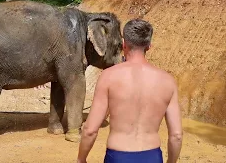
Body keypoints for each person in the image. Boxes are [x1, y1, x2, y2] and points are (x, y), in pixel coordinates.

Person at [77, 19, 183, 163]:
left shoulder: (109, 76)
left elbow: (90, 130)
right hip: (152, 156)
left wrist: (81, 159)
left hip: (118, 156)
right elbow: (176, 135)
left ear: (124, 43)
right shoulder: (168, 81)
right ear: (149, 46)